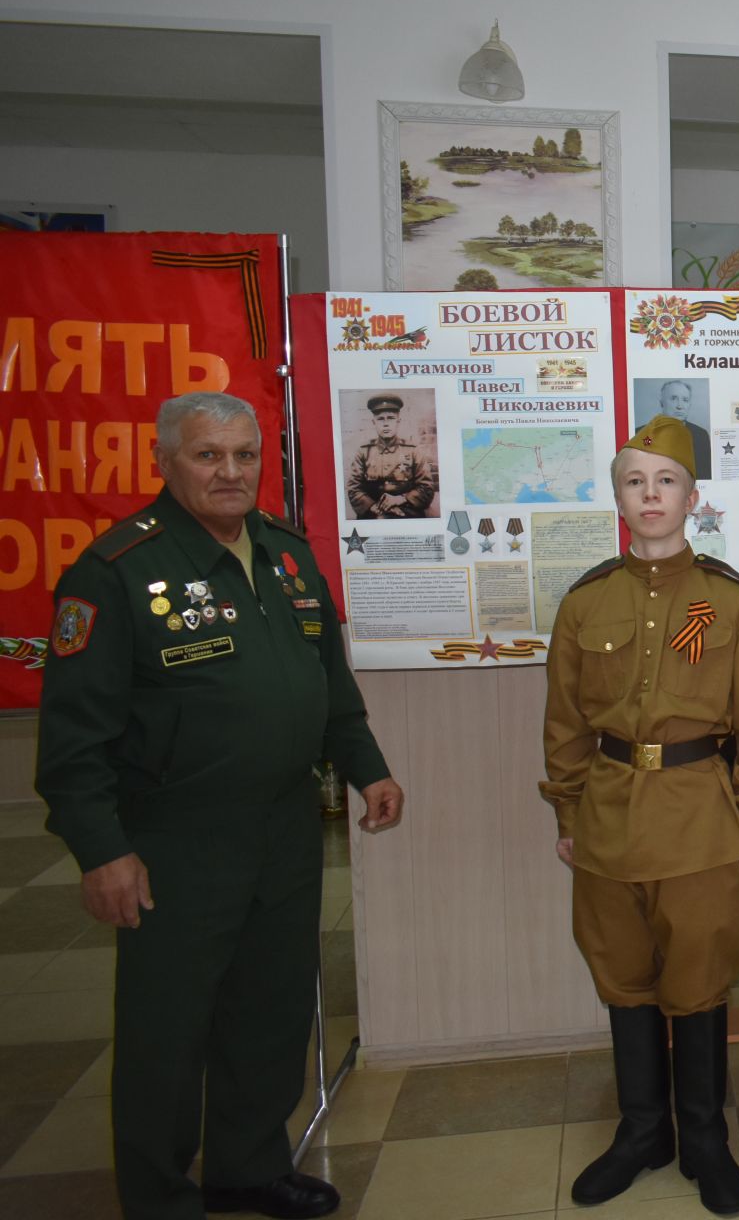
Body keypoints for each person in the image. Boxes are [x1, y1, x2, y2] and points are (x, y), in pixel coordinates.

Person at [35, 391, 405, 1220]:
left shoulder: (284, 553)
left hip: (283, 826)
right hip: (173, 840)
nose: (230, 472)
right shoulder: (117, 571)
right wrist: (102, 850)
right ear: (165, 462)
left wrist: (366, 766)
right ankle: (160, 1194)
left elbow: (328, 683)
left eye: (245, 455)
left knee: (270, 1008)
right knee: (167, 1032)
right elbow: (72, 744)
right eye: (208, 455)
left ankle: (246, 1164)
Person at [540, 414, 739, 1217]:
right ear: (617, 497)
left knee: (700, 977)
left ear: (692, 497)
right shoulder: (585, 602)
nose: (651, 495)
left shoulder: (730, 602)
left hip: (697, 821)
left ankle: (704, 1140)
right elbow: (566, 722)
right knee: (623, 976)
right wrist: (567, 813)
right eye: (636, 482)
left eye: (666, 481)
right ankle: (642, 1131)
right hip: (606, 818)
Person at [345, 393, 437, 518]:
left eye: (391, 418)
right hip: (373, 515)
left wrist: (401, 499)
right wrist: (374, 508)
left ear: (398, 421)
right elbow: (353, 489)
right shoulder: (364, 452)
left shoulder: (413, 451)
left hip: (407, 513)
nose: (386, 423)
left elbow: (427, 488)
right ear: (374, 422)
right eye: (381, 419)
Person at [654, 380, 714, 478]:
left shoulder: (701, 435)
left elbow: (706, 476)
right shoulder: (642, 434)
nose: (680, 406)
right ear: (662, 403)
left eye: (685, 400)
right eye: (673, 399)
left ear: (689, 404)